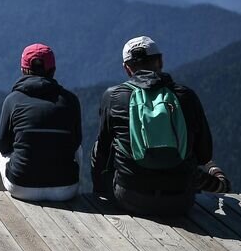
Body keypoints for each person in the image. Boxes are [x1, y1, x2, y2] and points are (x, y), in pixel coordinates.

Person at [91, 36, 230, 216]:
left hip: (129, 198)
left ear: (127, 69)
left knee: (99, 145)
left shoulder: (113, 96)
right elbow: (204, 154)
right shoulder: (186, 96)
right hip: (181, 201)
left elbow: (103, 150)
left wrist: (101, 188)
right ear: (160, 61)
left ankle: (98, 195)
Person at [0, 43, 82, 201]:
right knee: (78, 149)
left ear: (23, 70)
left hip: (21, 186)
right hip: (66, 188)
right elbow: (76, 142)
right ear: (53, 70)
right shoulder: (71, 100)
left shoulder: (13, 100)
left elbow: (2, 145)